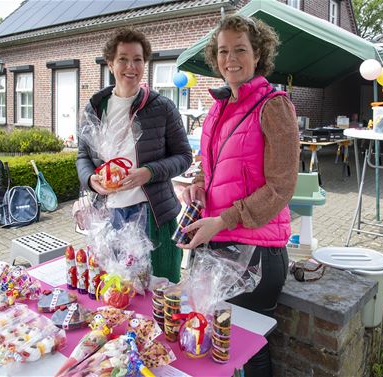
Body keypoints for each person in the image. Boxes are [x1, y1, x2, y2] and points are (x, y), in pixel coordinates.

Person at [179, 15, 299, 377]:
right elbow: (211, 168)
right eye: (223, 51)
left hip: (255, 253)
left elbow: (281, 187)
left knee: (246, 348)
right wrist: (198, 187)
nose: (231, 58)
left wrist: (225, 219)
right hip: (214, 242)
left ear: (258, 54)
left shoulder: (274, 106)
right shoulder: (218, 107)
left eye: (240, 49)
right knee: (214, 340)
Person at [76, 28, 192, 283]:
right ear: (110, 63)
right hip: (109, 215)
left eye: (138, 59)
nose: (131, 66)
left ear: (145, 63)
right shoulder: (95, 108)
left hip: (153, 214)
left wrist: (148, 173)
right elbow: (83, 156)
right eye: (123, 59)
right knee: (117, 287)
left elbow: (184, 156)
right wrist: (91, 180)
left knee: (158, 287)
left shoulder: (162, 107)